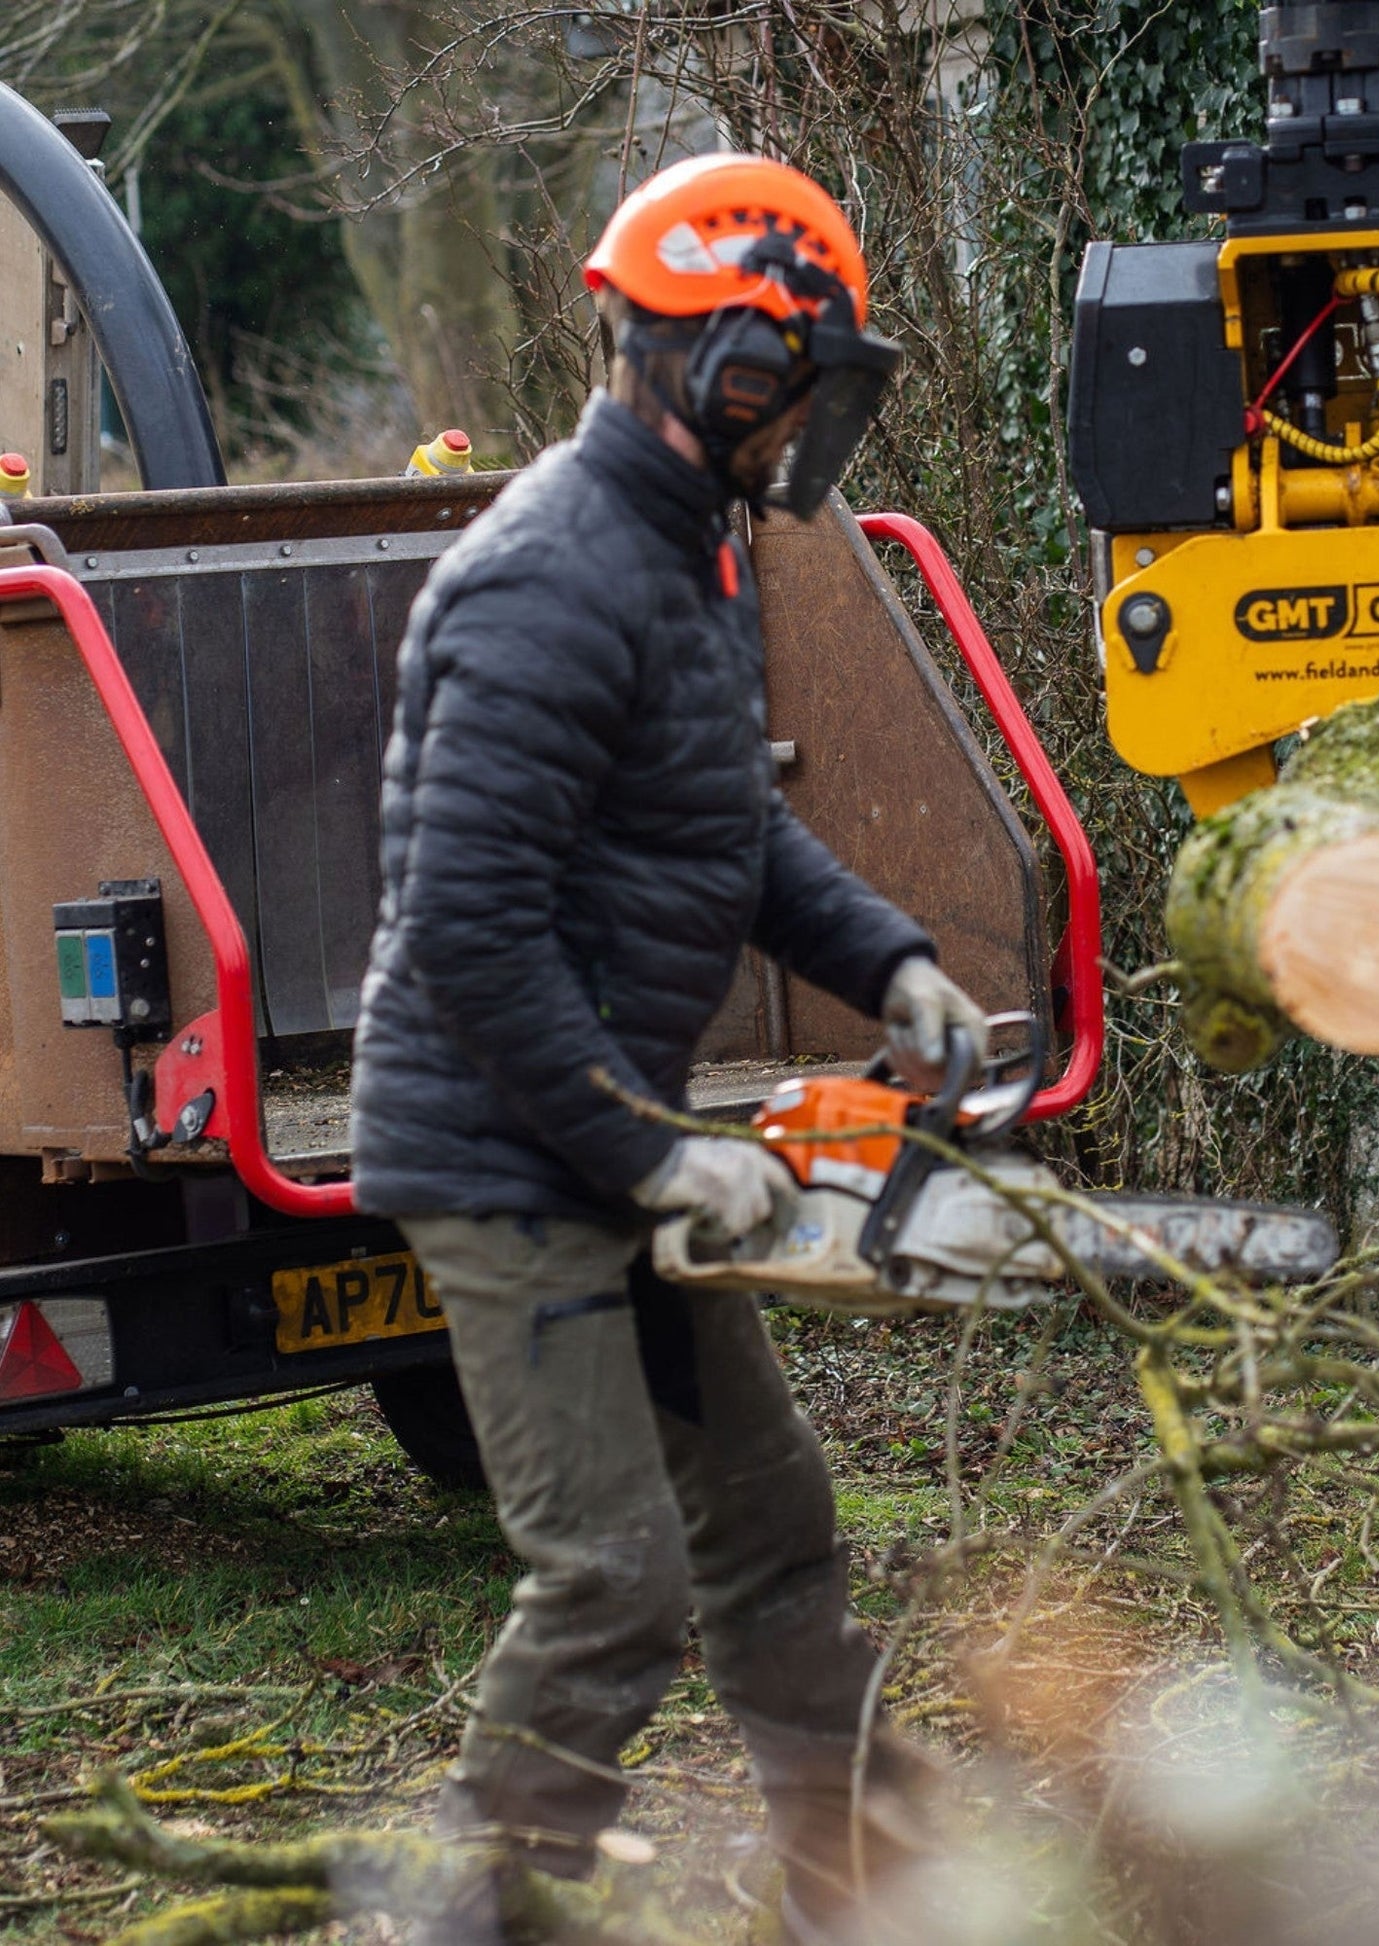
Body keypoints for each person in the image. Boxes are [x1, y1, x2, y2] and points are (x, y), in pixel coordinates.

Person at [350, 152, 989, 1943]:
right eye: (794, 378)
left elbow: (727, 827)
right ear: (719, 363)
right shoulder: (550, 577)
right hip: (509, 1162)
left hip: (605, 1136)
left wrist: (893, 961)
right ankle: (468, 1916)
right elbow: (466, 930)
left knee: (773, 1528)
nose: (803, 421)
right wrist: (651, 1154)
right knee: (613, 1582)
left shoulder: (680, 547)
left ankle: (867, 1893)